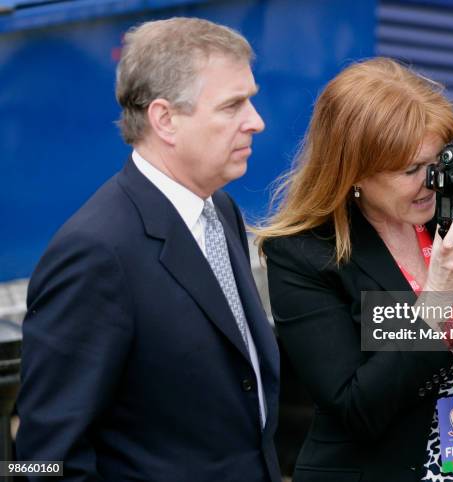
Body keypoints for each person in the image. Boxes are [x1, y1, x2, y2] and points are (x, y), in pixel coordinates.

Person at [256, 58, 453, 482]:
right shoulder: (303, 255)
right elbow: (356, 409)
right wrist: (437, 301)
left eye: (436, 163)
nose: (431, 181)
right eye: (410, 170)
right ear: (352, 172)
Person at [17, 17, 281, 482]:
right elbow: (42, 459)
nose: (255, 121)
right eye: (233, 105)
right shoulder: (95, 253)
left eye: (251, 100)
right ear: (165, 119)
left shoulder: (220, 209)